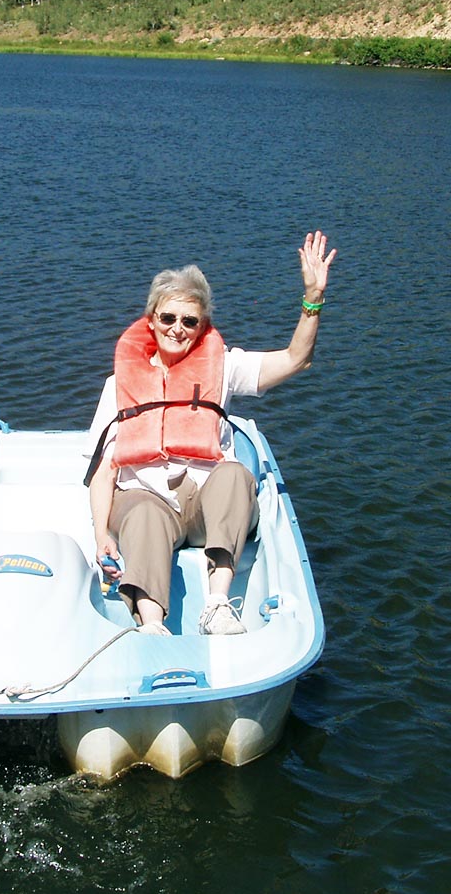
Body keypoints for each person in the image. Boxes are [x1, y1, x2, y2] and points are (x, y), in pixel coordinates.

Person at [86, 231, 337, 636]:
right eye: (168, 318)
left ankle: (218, 604)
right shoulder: (120, 383)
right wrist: (100, 534)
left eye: (190, 321)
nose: (177, 329)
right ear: (151, 320)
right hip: (145, 501)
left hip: (204, 506)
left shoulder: (223, 366)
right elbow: (103, 470)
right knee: (145, 512)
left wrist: (312, 299)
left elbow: (295, 360)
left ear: (202, 326)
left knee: (237, 474)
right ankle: (152, 624)